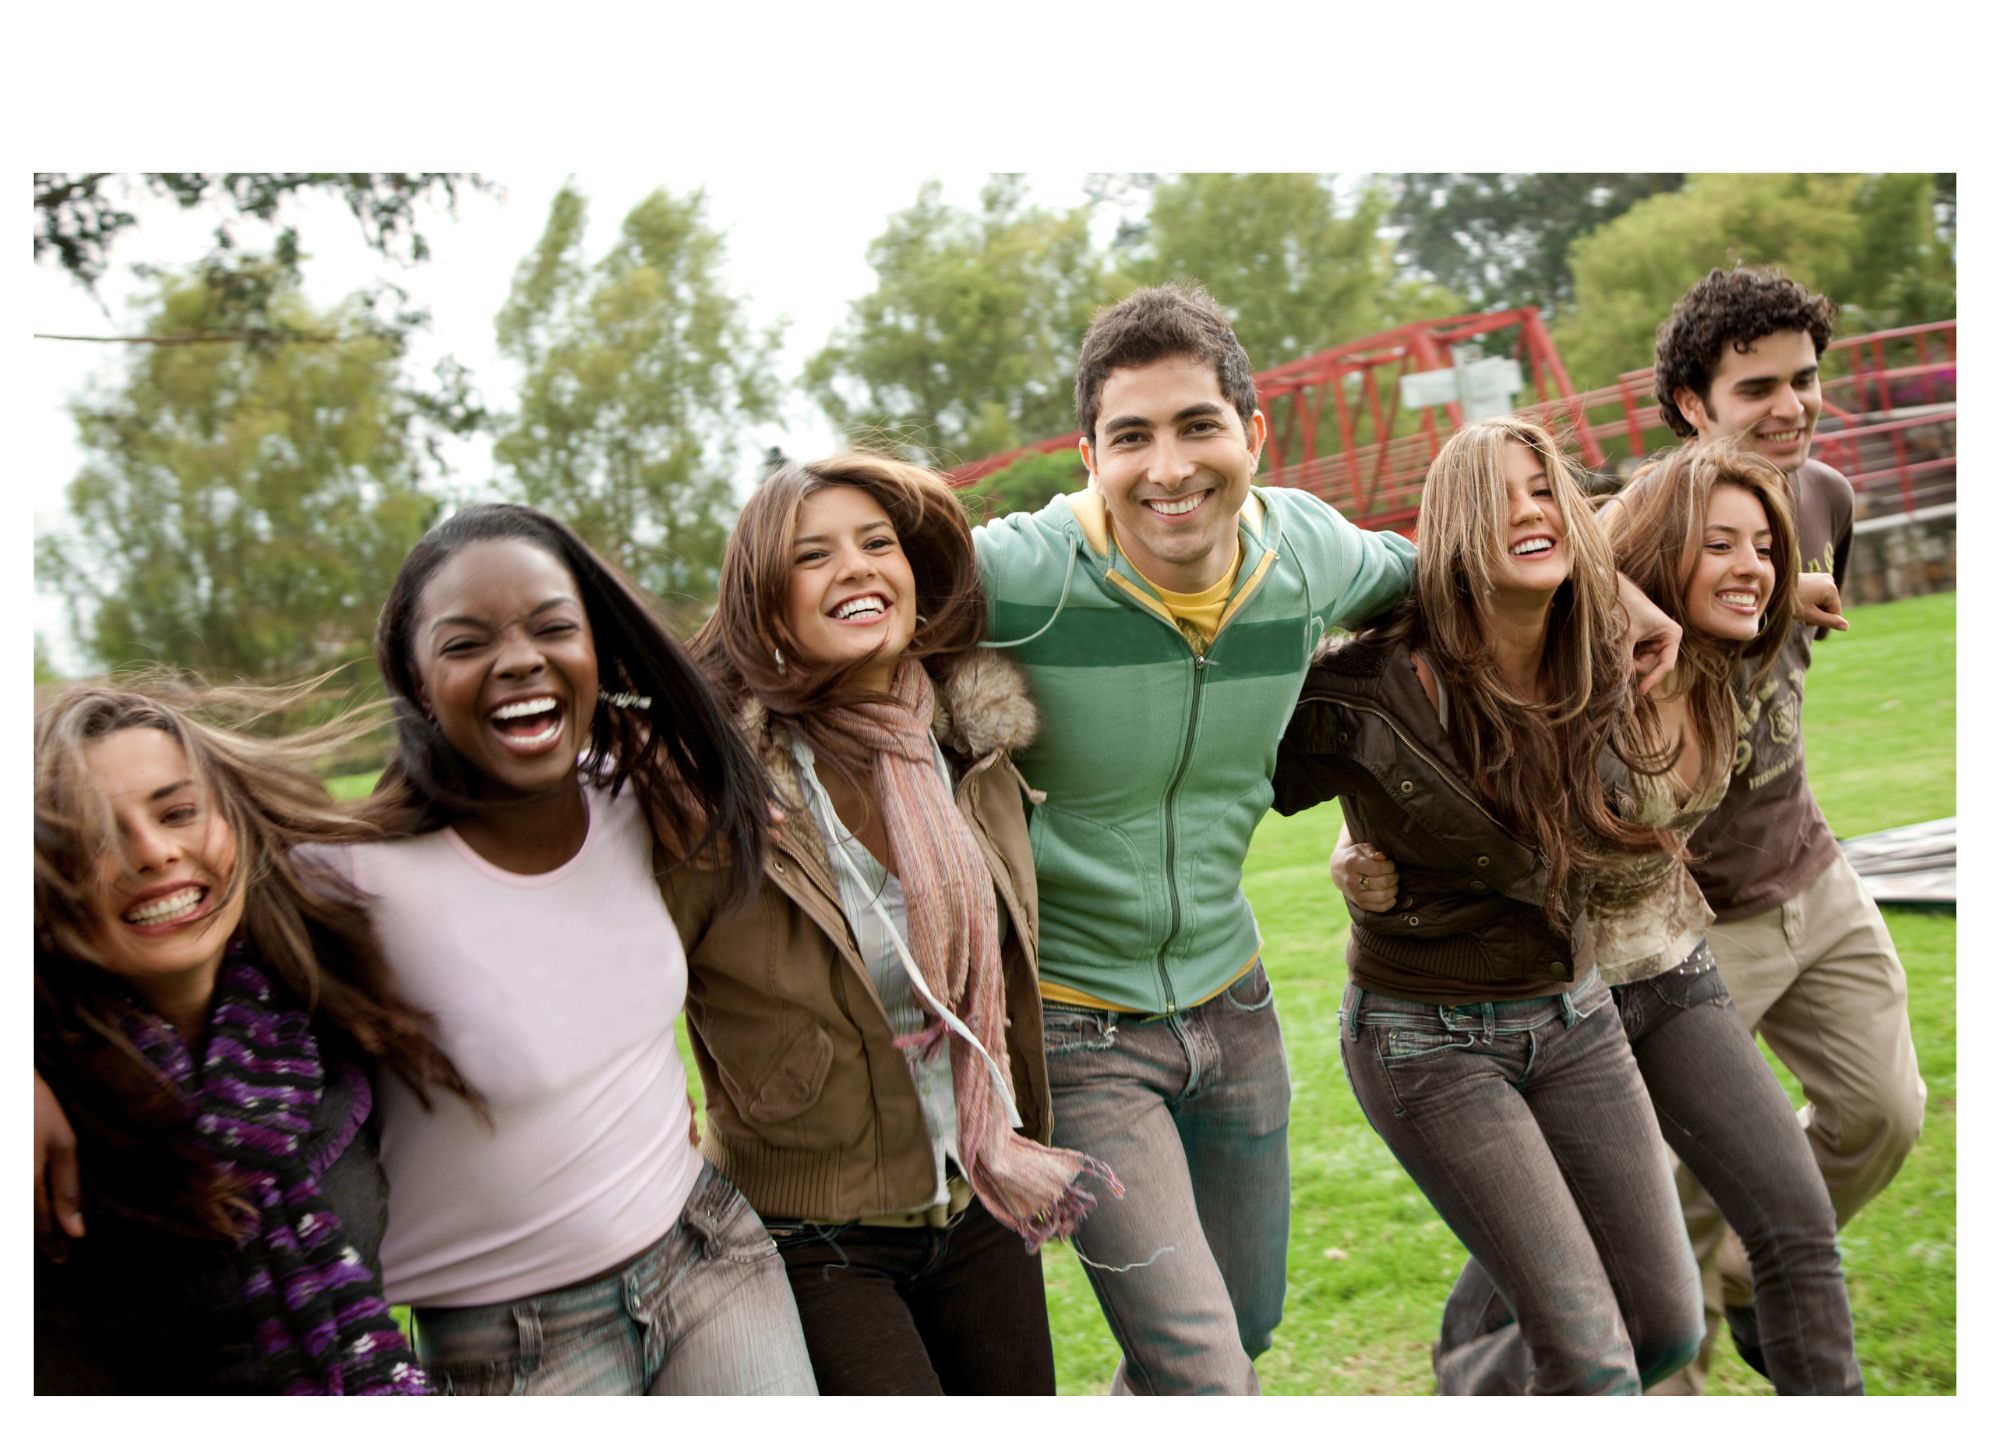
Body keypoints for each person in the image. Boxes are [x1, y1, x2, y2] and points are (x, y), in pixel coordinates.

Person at [969, 283, 1682, 1395]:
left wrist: (1621, 591)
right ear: (1086, 454)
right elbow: (836, 593)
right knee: (1203, 1372)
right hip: (1078, 1027)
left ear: (1250, 434)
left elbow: (1464, 564)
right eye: (1130, 437)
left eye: (1197, 426)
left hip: (1232, 1005)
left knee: (1240, 1332)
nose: (1168, 468)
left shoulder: (1302, 552)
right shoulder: (1022, 577)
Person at [1342, 440, 1865, 1393]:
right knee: (1564, 1270)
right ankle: (1480, 1375)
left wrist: (1779, 592)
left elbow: (1731, 571)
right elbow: (1437, 675)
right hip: (1554, 986)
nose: (1748, 564)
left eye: (1763, 547)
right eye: (1720, 544)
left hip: (1666, 966)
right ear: (1662, 556)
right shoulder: (1579, 646)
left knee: (1789, 1218)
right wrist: (1360, 848)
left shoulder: (1722, 658)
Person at [333, 504, 818, 1394]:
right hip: (511, 1342)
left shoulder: (635, 799)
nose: (519, 657)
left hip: (707, 1257)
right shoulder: (352, 875)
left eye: (553, 627)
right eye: (466, 642)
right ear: (413, 673)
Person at [1269, 416, 1704, 1395]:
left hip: (1574, 1013)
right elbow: (1219, 773)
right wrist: (1347, 850)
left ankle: (1474, 1387)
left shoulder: (1598, 645)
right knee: (1595, 1365)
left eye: (1543, 487)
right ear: (1447, 531)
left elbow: (1722, 561)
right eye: (1495, 494)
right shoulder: (1368, 686)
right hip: (1427, 1037)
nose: (1527, 508)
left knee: (1662, 1327)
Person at [670, 452, 1118, 1394]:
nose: (860, 567)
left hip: (977, 1196)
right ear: (765, 602)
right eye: (814, 555)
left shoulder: (970, 752)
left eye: (878, 543)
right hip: (812, 1231)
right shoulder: (716, 796)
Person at [33, 677, 467, 1394]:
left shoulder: (329, 1014)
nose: (154, 851)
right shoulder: (49, 1114)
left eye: (178, 812)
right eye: (94, 836)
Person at [1649, 267, 1925, 1391]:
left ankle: (1750, 1272)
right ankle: (1657, 1368)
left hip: (1811, 869)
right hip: (1687, 915)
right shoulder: (1639, 532)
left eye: (1803, 379)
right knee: (1670, 1176)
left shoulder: (1823, 498)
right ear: (1689, 405)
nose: (1789, 406)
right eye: (1754, 386)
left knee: (1881, 1112)